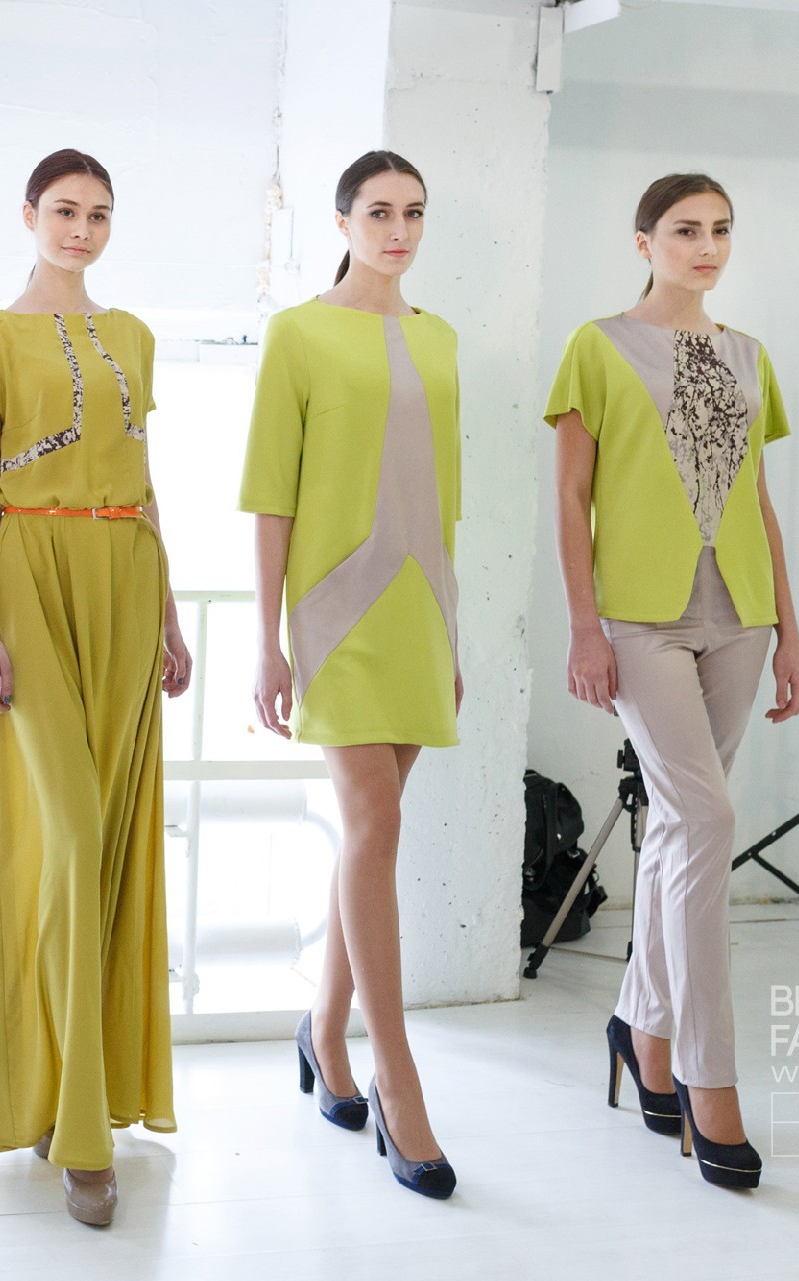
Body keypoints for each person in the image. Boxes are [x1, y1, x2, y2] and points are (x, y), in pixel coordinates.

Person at [0, 148, 192, 1228]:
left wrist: (170, 612)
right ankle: (80, 1133)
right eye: (66, 211)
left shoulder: (135, 336)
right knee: (70, 839)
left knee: (106, 847)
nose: (82, 230)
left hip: (126, 577)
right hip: (31, 576)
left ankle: (68, 1088)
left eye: (99, 215)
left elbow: (144, 480)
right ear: (30, 214)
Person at [547, 172, 799, 1190]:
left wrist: (790, 631)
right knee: (705, 819)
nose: (707, 247)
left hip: (740, 613)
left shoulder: (749, 355)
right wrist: (584, 625)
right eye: (687, 230)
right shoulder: (598, 346)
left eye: (721, 231)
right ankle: (710, 1078)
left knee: (677, 827)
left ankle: (640, 1031)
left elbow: (759, 500)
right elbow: (571, 496)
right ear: (643, 241)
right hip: (639, 617)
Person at [242, 150, 461, 1200]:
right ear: (343, 222)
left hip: (421, 609)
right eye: (378, 212)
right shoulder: (298, 334)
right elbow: (270, 496)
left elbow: (444, 497)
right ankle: (397, 1078)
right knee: (375, 822)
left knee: (371, 836)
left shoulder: (441, 339)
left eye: (413, 213)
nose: (398, 230)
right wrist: (266, 640)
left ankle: (324, 1029)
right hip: (335, 612)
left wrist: (454, 634)